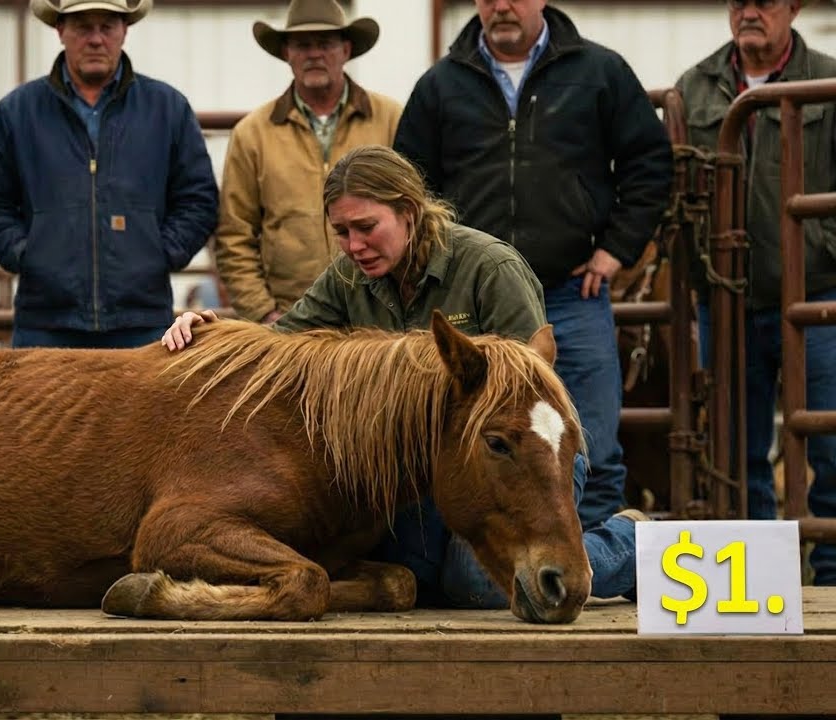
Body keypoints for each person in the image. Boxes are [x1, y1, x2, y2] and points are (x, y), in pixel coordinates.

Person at [163, 145, 643, 606]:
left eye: (367, 227)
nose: (354, 245)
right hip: (431, 476)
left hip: (520, 460)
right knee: (403, 564)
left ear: (409, 212)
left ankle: (628, 544)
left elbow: (529, 397)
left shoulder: (490, 267)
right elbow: (281, 346)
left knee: (475, 583)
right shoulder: (348, 275)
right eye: (342, 232)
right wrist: (215, 329)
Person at [393, 0, 673, 531]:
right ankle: (535, 564)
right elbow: (411, 185)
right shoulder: (440, 86)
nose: (501, 6)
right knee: (477, 444)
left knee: (592, 443)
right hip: (474, 303)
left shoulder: (599, 73)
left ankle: (585, 575)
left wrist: (616, 248)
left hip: (571, 292)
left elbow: (649, 162)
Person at [676, 0, 836, 584]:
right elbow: (675, 184)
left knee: (831, 447)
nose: (749, 12)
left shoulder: (827, 80)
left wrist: (817, 245)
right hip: (725, 302)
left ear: (793, 7)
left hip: (817, 299)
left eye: (764, 1)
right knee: (735, 454)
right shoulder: (694, 88)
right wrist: (697, 268)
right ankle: (763, 581)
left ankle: (833, 577)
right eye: (738, 2)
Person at [0, 0, 219, 349]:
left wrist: (158, 254)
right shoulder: (18, 111)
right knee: (44, 407)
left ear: (124, 31)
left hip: (142, 321)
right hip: (46, 322)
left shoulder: (167, 109)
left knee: (138, 407)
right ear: (60, 31)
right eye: (82, 27)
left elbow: (198, 198)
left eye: (107, 26)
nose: (95, 39)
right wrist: (29, 255)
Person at [215, 0, 401, 324]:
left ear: (345, 49)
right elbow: (234, 235)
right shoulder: (252, 134)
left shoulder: (391, 119)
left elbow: (416, 211)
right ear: (287, 52)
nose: (314, 54)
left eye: (325, 43)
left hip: (379, 315)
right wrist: (264, 313)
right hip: (292, 316)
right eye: (302, 44)